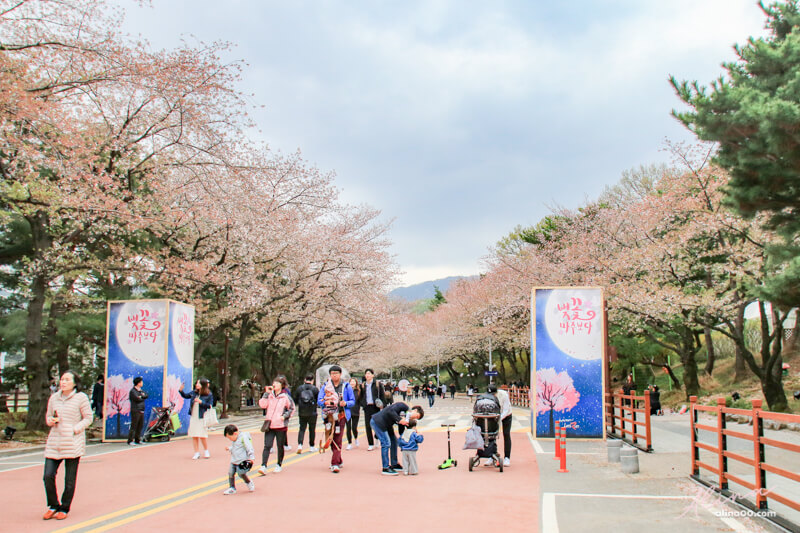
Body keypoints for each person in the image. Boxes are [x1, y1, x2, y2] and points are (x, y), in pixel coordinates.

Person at [42, 370, 93, 520]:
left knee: (69, 480)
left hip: (72, 442)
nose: (63, 382)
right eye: (62, 379)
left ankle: (64, 507)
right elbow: (49, 415)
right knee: (48, 476)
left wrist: (75, 429)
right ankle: (53, 505)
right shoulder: (54, 398)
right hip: (55, 441)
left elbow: (88, 418)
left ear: (75, 383)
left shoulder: (80, 398)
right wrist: (50, 420)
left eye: (67, 380)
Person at [316, 365, 355, 473]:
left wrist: (345, 403)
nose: (334, 375)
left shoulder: (346, 386)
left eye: (336, 373)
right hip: (328, 415)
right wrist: (325, 402)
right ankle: (339, 459)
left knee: (338, 437)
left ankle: (335, 463)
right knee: (330, 438)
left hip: (341, 415)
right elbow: (319, 400)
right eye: (332, 374)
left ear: (340, 374)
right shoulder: (325, 386)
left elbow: (352, 401)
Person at [369, 402, 424, 476]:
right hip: (378, 422)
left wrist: (407, 435)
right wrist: (400, 420)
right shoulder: (403, 406)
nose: (414, 418)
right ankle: (385, 468)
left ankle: (394, 464)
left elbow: (401, 430)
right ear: (415, 410)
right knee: (386, 443)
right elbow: (390, 411)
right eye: (416, 416)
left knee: (394, 441)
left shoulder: (406, 416)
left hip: (387, 425)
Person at [257, 375, 294, 474]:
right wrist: (266, 394)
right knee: (267, 445)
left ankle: (279, 464)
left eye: (277, 383)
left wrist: (284, 416)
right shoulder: (270, 395)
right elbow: (262, 405)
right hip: (269, 424)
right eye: (274, 383)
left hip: (280, 425)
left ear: (282, 385)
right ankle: (263, 465)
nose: (274, 385)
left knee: (280, 445)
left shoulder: (285, 397)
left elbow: (292, 408)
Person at [179, 378, 214, 459]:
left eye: (199, 383)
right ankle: (196, 452)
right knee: (194, 435)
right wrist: (181, 390)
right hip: (194, 416)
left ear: (203, 385)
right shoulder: (194, 393)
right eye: (197, 383)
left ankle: (206, 451)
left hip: (202, 416)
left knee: (202, 435)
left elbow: (210, 405)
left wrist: (201, 402)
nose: (196, 385)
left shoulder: (208, 394)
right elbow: (186, 396)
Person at [223, 424, 255, 495]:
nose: (230, 439)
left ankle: (248, 482)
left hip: (242, 461)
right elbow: (235, 447)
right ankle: (232, 488)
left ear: (235, 433)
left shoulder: (243, 438)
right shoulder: (235, 439)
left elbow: (249, 448)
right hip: (234, 460)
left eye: (230, 438)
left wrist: (252, 458)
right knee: (231, 473)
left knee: (241, 474)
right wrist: (229, 448)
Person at [293, 374, 319, 453]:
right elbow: (318, 400)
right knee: (312, 430)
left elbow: (295, 399)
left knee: (302, 429)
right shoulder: (315, 389)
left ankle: (300, 445)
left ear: (305, 379)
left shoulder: (299, 388)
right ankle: (311, 446)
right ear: (312, 380)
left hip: (302, 412)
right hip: (312, 412)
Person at [489, 383, 513, 466]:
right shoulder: (488, 396)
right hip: (495, 415)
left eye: (494, 394)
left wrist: (498, 419)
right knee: (491, 435)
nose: (493, 395)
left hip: (506, 415)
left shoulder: (503, 395)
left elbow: (506, 410)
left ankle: (507, 457)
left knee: (506, 434)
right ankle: (492, 455)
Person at [360, 369, 384, 451]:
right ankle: (370, 444)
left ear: (373, 375)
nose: (367, 375)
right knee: (368, 426)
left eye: (369, 373)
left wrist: (382, 406)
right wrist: (363, 404)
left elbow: (382, 396)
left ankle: (377, 438)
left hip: (375, 407)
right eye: (366, 373)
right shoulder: (363, 385)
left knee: (376, 425)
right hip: (367, 407)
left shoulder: (377, 384)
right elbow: (361, 396)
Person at [127, 377, 148, 445]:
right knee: (134, 425)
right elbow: (137, 399)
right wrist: (141, 397)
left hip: (142, 409)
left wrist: (141, 396)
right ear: (138, 383)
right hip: (136, 410)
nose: (142, 383)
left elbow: (146, 395)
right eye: (141, 382)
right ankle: (130, 440)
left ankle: (137, 439)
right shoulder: (133, 391)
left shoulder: (141, 391)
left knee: (140, 425)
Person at [346, 377, 361, 450]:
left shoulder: (358, 391)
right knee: (348, 428)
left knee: (354, 428)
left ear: (356, 383)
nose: (352, 383)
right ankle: (349, 443)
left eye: (353, 382)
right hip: (347, 411)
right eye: (351, 382)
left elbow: (361, 401)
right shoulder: (346, 391)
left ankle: (356, 438)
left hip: (356, 411)